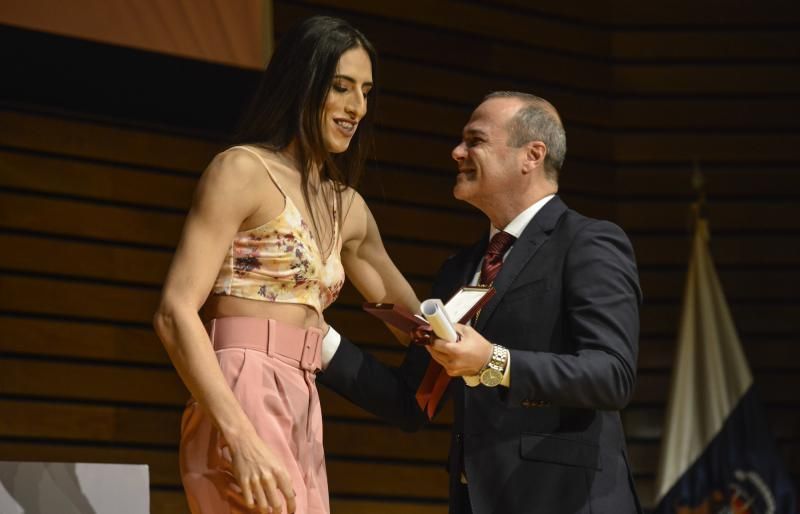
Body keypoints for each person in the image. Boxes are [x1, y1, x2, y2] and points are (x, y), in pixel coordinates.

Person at [318, 92, 644, 513]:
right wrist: (318, 339)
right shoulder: (460, 269)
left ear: (532, 155)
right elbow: (412, 403)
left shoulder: (588, 241)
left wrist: (494, 361)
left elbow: (611, 375)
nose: (457, 152)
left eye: (475, 141)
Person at [152, 16, 419, 514]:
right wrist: (240, 435)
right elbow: (174, 312)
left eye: (365, 91)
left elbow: (417, 326)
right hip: (241, 384)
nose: (356, 107)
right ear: (303, 83)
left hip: (303, 396)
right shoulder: (242, 171)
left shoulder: (348, 207)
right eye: (341, 87)